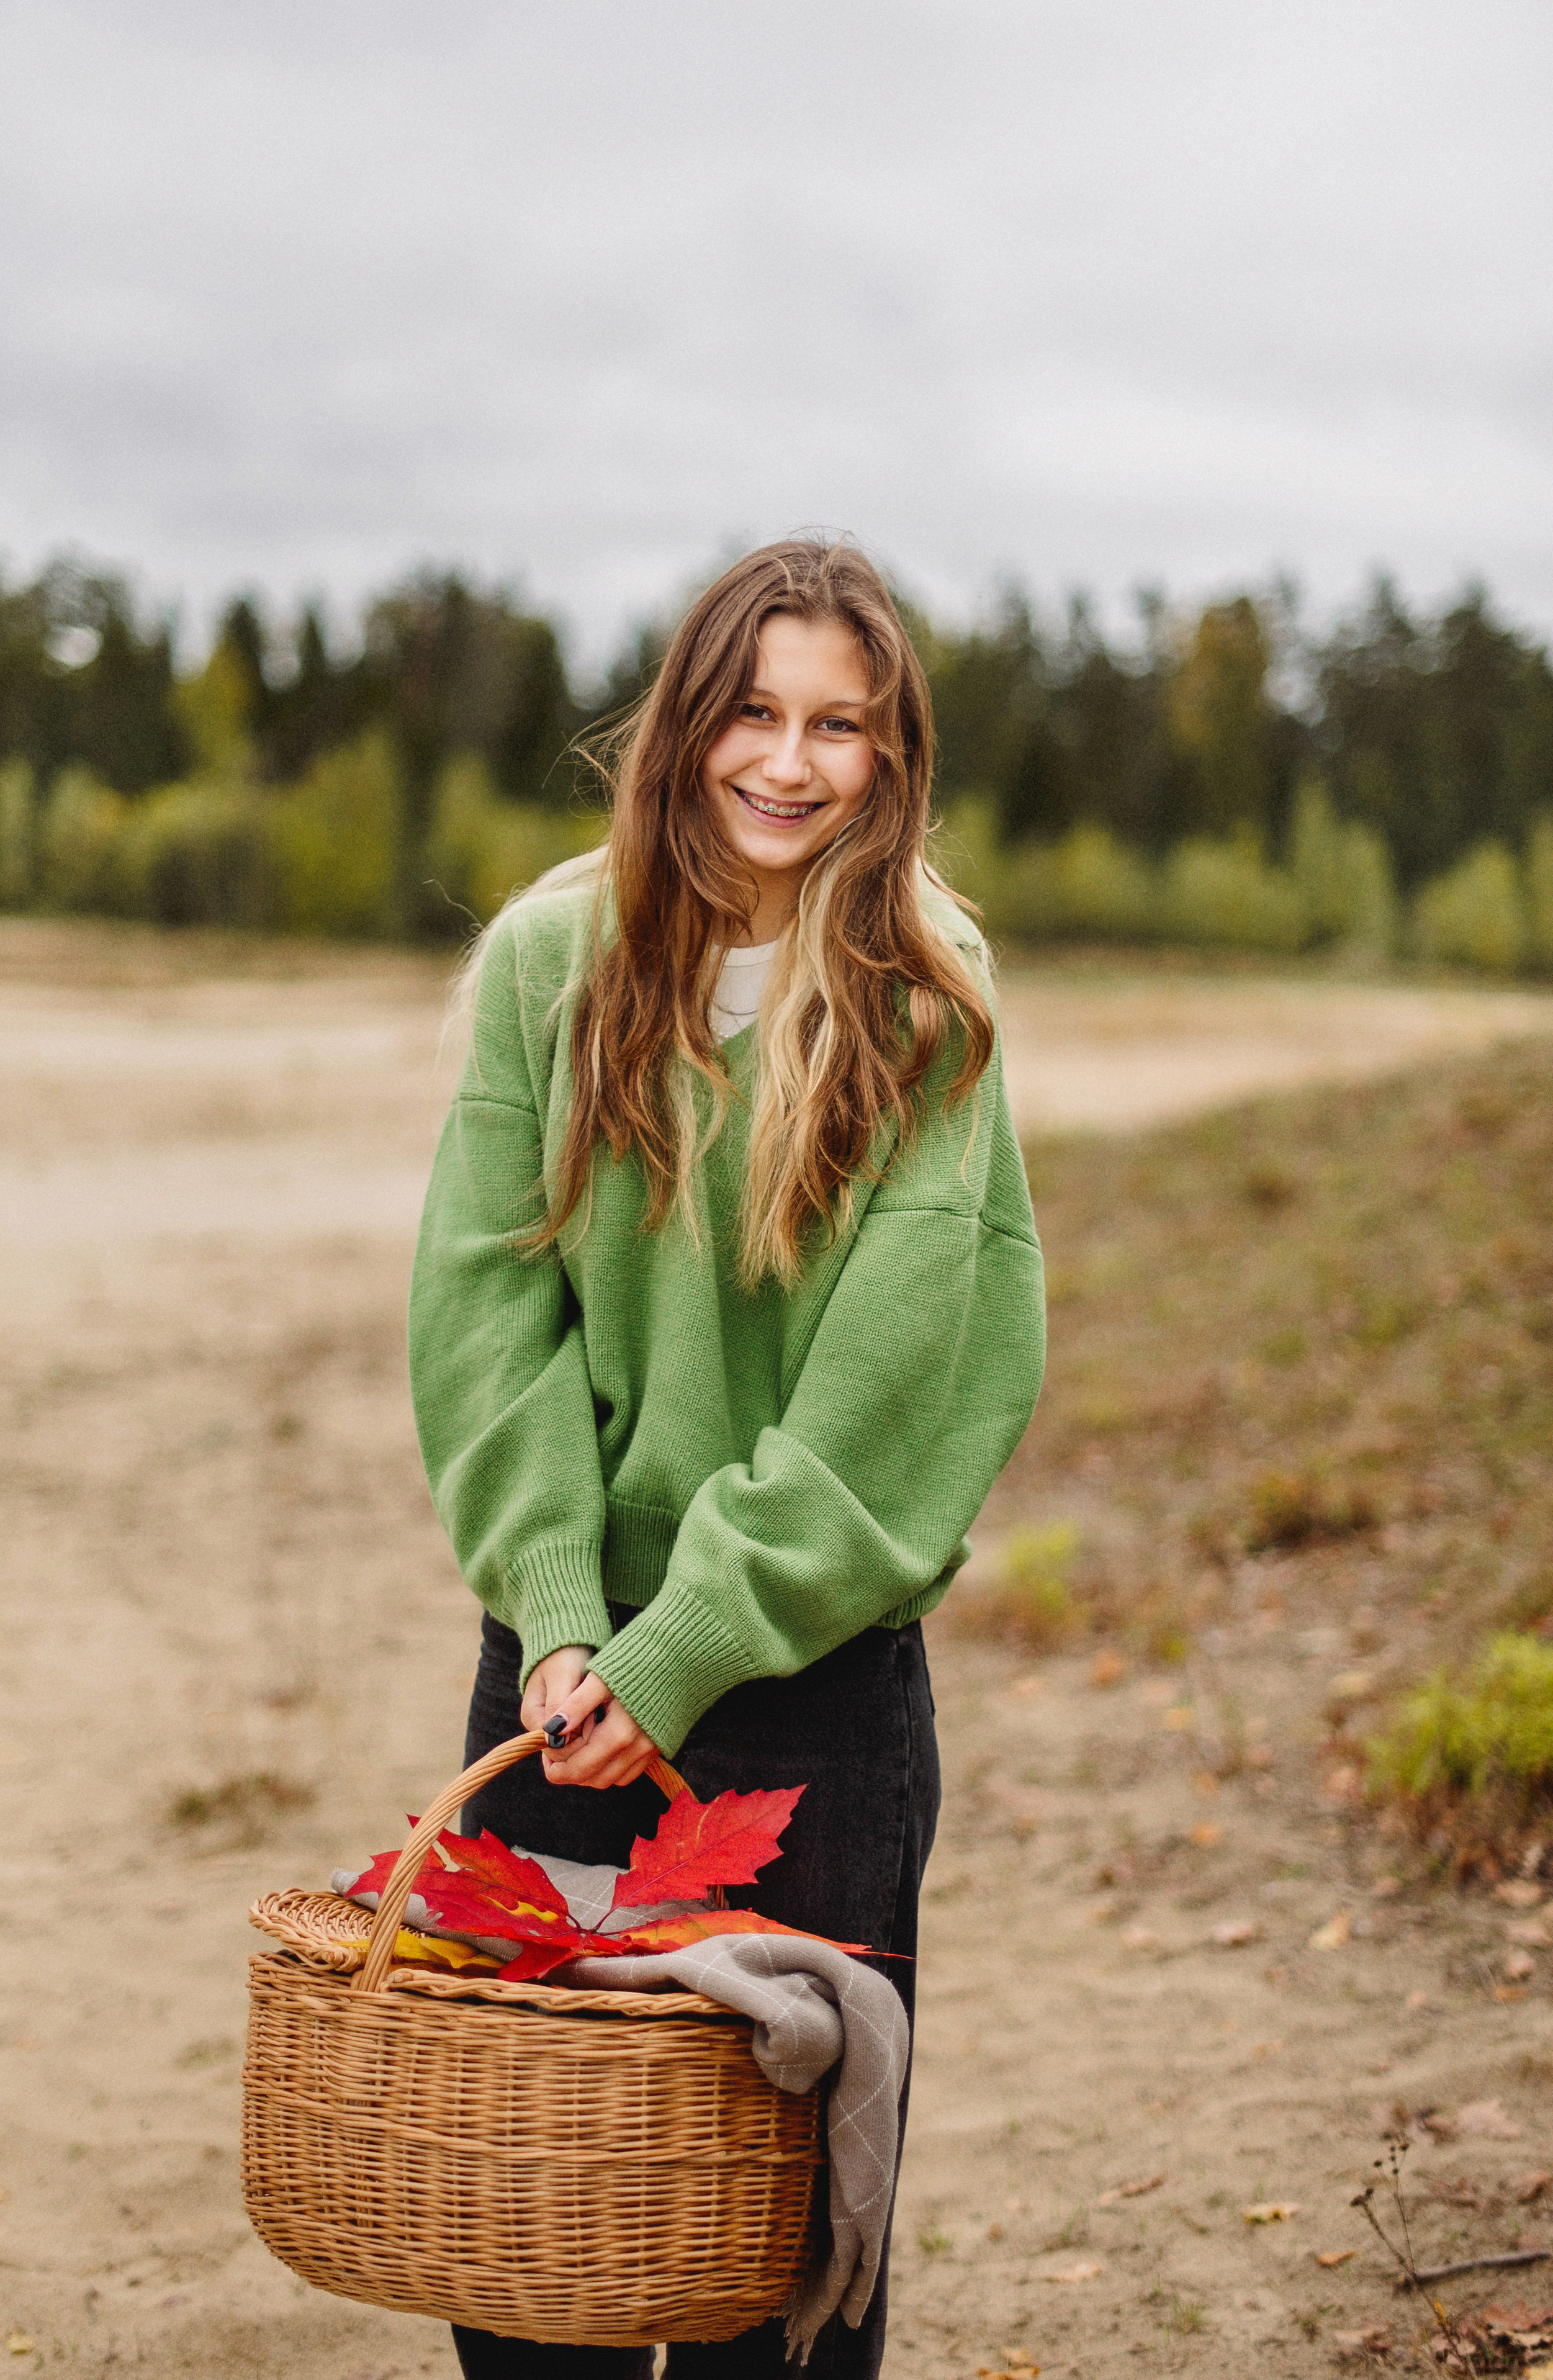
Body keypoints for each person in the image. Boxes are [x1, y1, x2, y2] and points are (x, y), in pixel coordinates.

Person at [408, 537, 1047, 2378]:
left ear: (893, 752)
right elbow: (484, 1310)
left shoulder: (930, 994)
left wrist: (689, 1643)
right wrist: (555, 1610)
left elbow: (898, 1384)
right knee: (535, 2247)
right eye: (754, 711)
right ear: (686, 724)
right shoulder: (555, 954)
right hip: (560, 1672)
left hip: (817, 1686)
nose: (789, 760)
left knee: (787, 2270)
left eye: (840, 723)